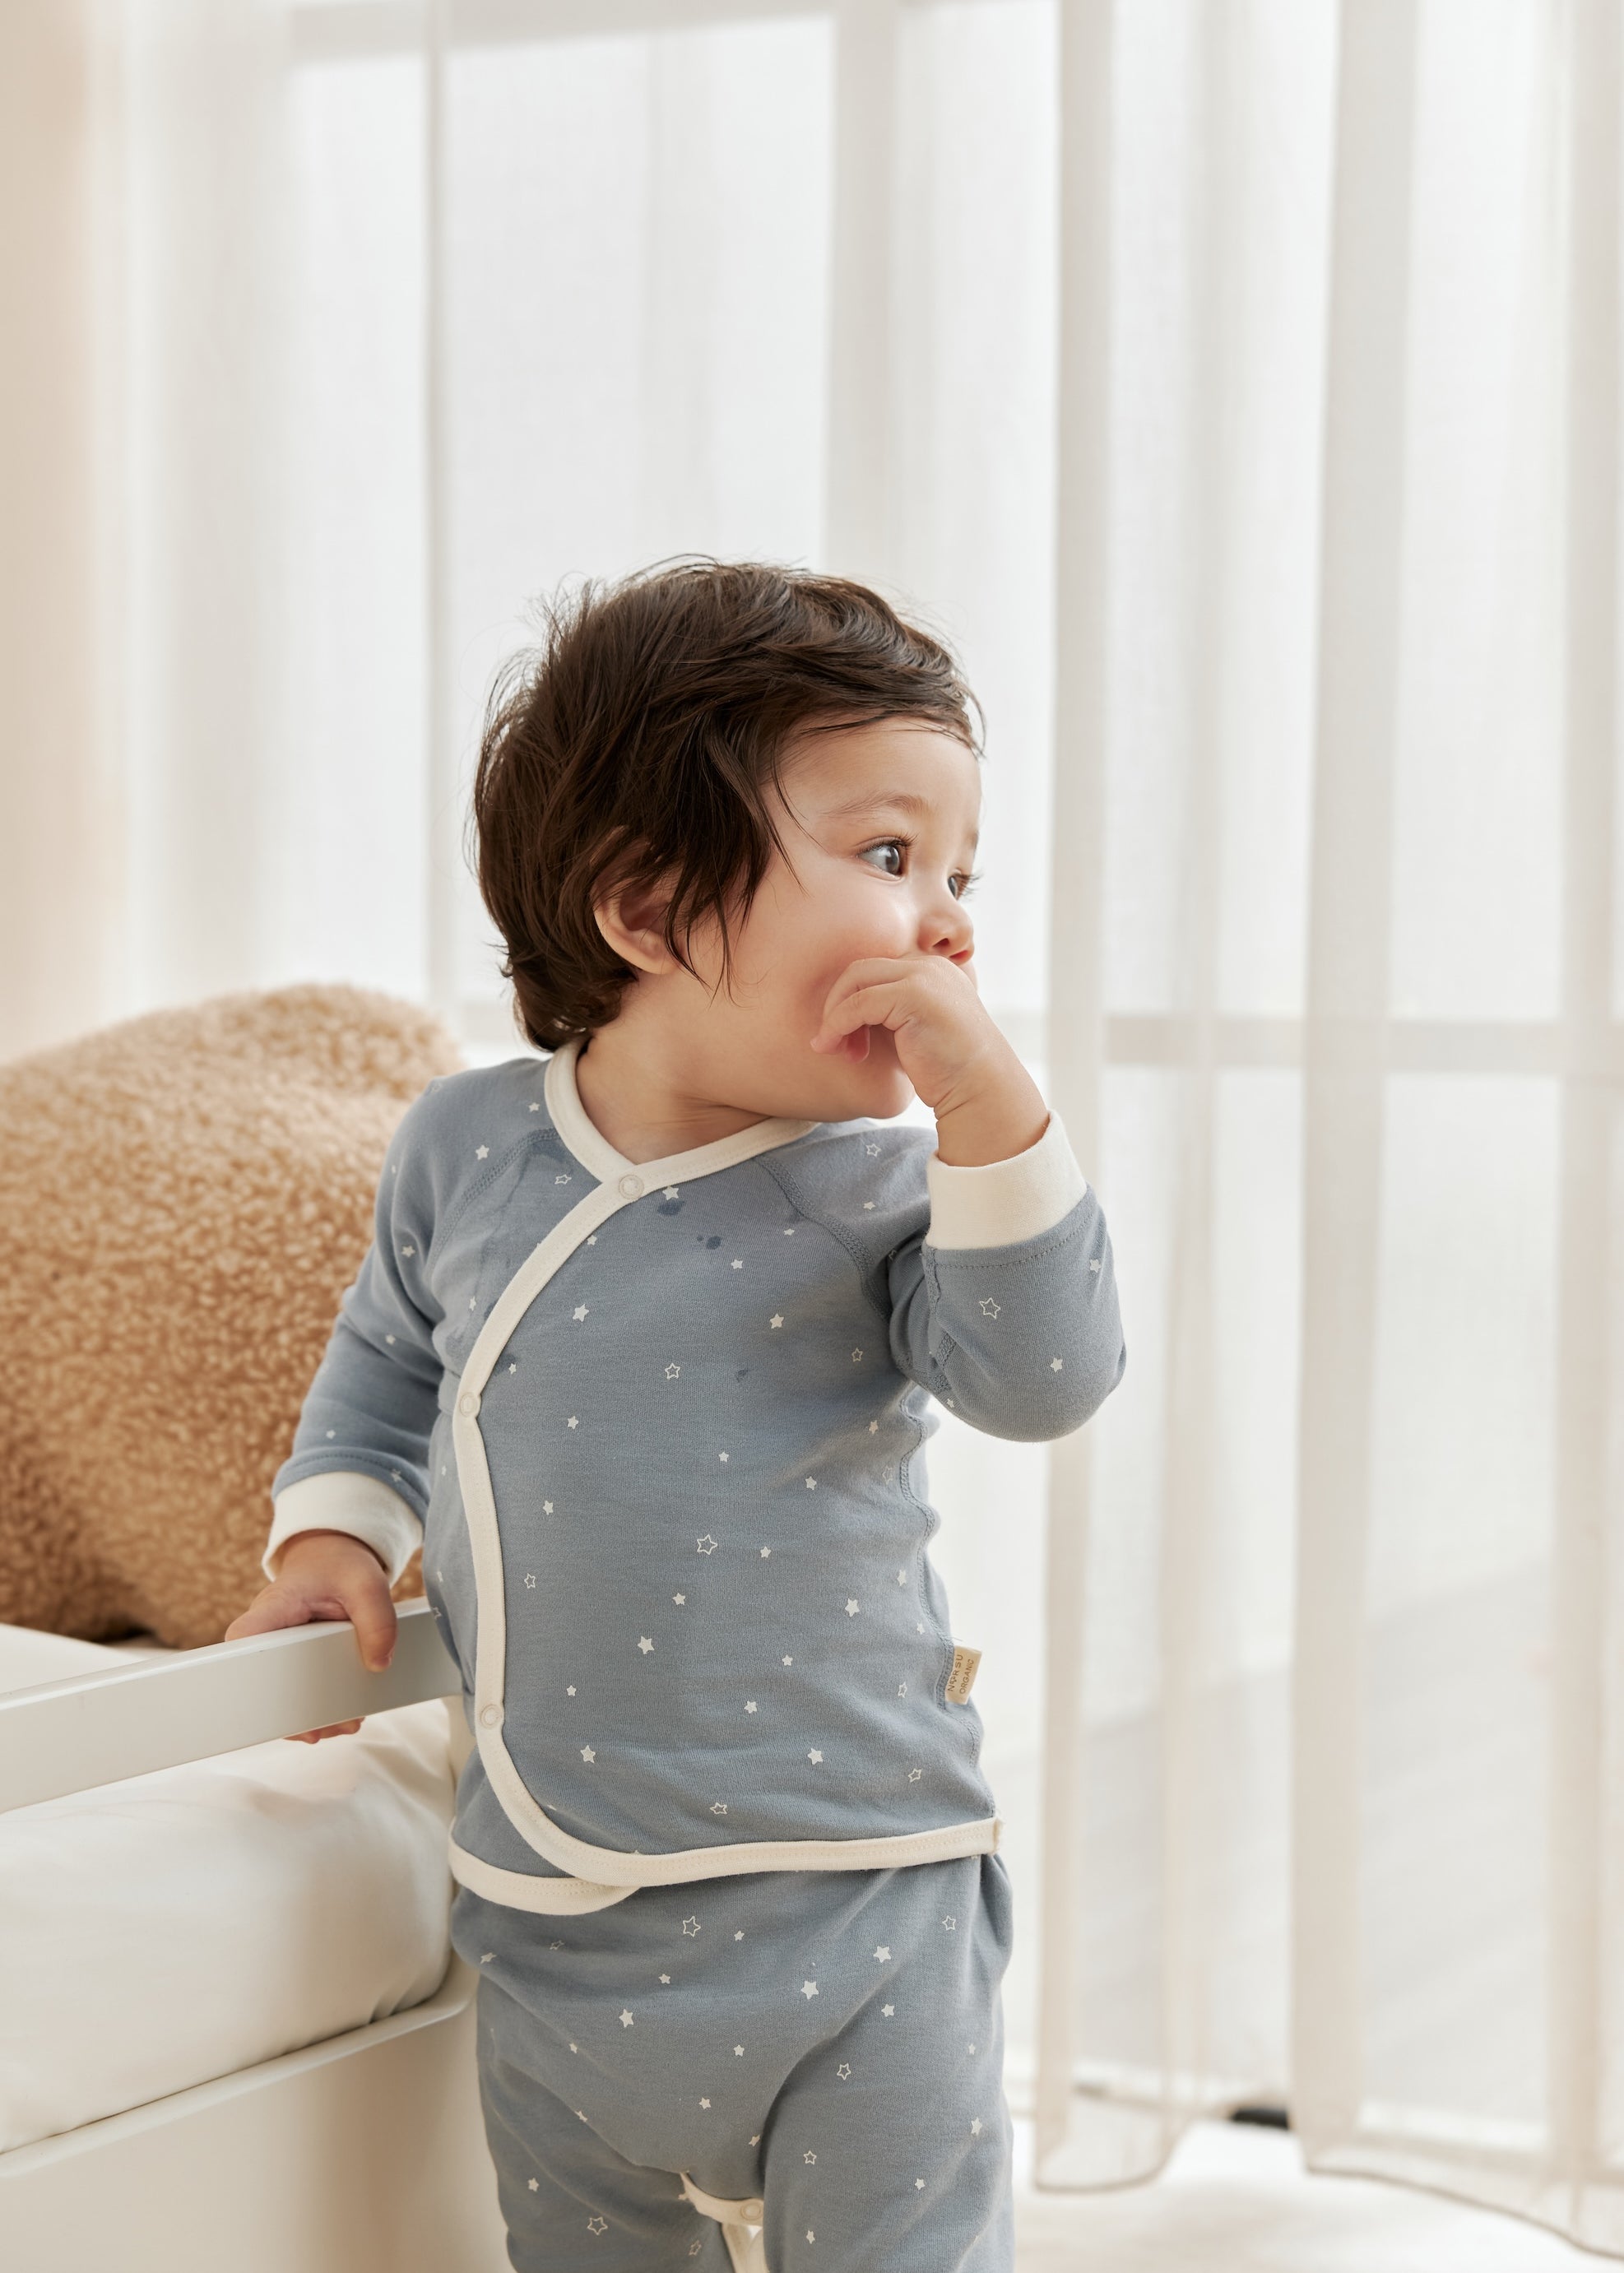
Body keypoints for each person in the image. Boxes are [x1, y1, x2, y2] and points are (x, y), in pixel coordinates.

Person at [226, 559, 1126, 2271]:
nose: (947, 921)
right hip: (555, 1916)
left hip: (859, 1901)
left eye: (961, 875)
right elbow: (391, 1359)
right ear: (645, 910)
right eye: (890, 856)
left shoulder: (892, 1190)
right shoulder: (464, 1149)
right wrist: (335, 1529)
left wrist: (995, 1114)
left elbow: (1045, 1377)